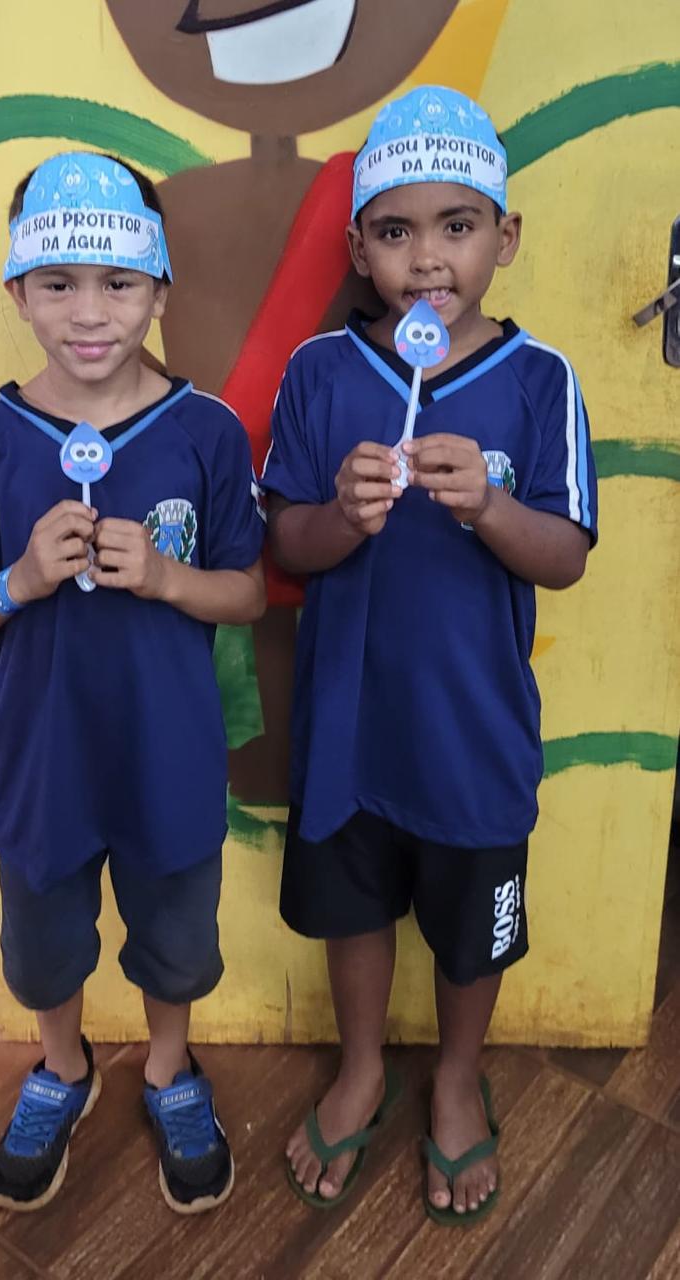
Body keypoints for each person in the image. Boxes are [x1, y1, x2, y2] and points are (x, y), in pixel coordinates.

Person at [0, 151, 266, 1216]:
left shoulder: (206, 433)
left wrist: (163, 576)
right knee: (42, 946)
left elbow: (247, 592)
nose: (90, 312)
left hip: (170, 758)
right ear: (18, 292)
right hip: (42, 762)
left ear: (160, 288)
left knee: (176, 943)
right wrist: (17, 581)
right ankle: (62, 1067)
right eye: (58, 282)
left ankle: (167, 1067)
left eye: (118, 281)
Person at [262, 85, 597, 1224]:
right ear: (360, 250)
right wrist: (340, 517)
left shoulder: (542, 380)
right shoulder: (319, 372)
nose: (427, 259)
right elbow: (284, 542)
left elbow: (564, 557)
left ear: (506, 236)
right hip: (348, 731)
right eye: (396, 232)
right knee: (352, 911)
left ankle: (456, 1076)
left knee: (469, 932)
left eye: (458, 226)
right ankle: (362, 1068)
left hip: (474, 736)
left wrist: (490, 506)